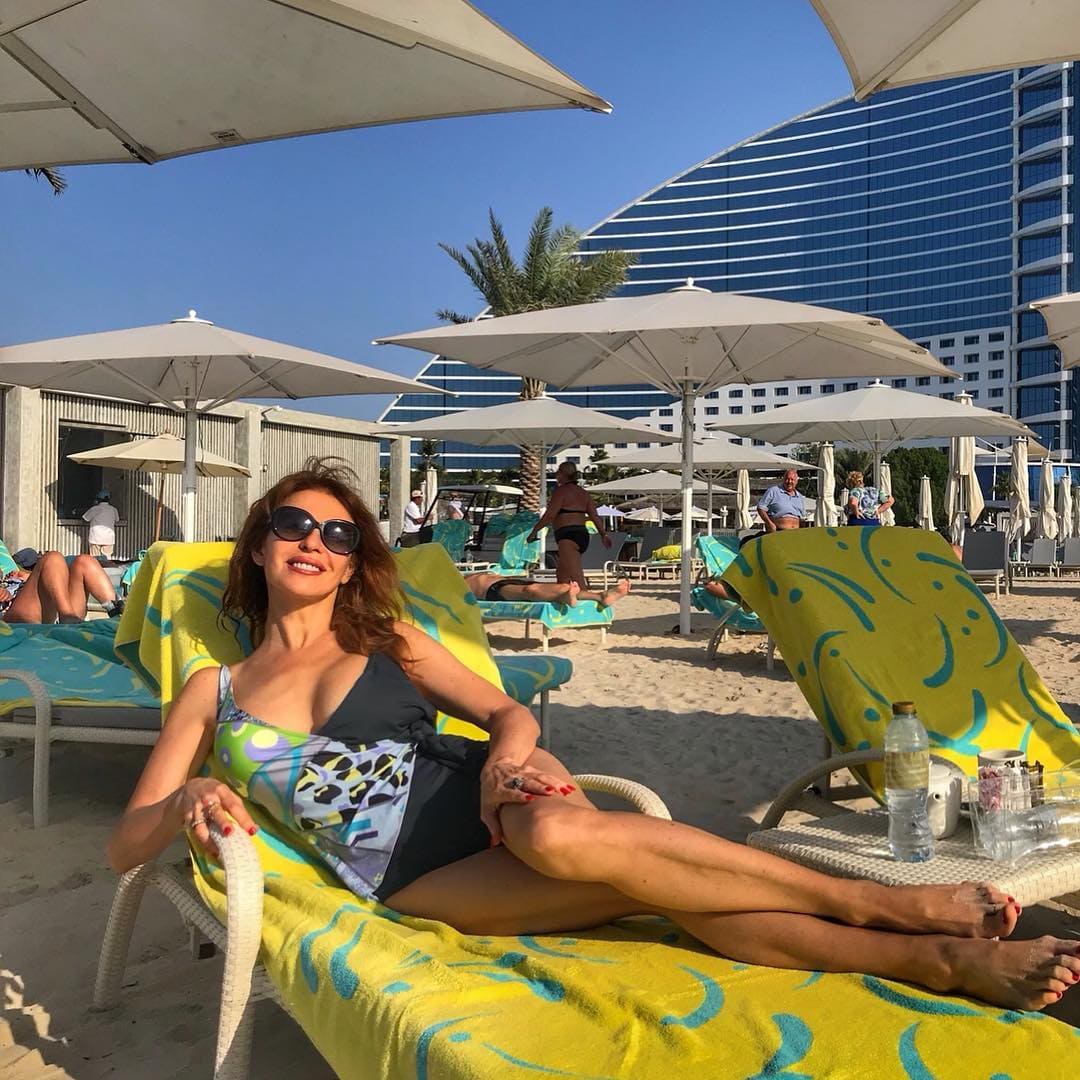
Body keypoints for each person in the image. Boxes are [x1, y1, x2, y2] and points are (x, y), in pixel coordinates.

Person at [107, 459, 1076, 1013]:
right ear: (258, 545)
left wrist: (508, 767)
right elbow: (124, 844)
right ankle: (919, 943)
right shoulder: (212, 691)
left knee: (565, 835)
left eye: (339, 534)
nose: (315, 544)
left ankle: (906, 931)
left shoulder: (387, 638)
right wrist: (189, 793)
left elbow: (506, 712)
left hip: (491, 803)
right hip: (407, 877)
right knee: (656, 887)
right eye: (293, 526)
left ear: (356, 562)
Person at [526, 462, 611, 590]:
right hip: (582, 535)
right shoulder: (583, 493)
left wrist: (534, 531)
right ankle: (563, 598)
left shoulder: (561, 491)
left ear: (564, 474)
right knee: (562, 575)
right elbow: (594, 516)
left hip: (568, 536)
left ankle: (592, 600)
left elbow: (550, 515)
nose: (556, 475)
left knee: (577, 579)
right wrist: (603, 534)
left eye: (558, 472)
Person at [1, 549, 122, 623]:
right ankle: (67, 616)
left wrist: (30, 576)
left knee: (84, 561)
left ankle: (116, 613)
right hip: (12, 613)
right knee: (52, 558)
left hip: (47, 604)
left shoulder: (17, 569)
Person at [465, 570, 630, 608]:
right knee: (531, 590)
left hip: (504, 581)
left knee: (561, 588)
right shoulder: (455, 585)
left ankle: (600, 596)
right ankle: (568, 596)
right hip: (491, 591)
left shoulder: (460, 576)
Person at [82, 489, 120, 559]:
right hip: (108, 538)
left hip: (95, 538)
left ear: (98, 499)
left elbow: (85, 519)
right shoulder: (113, 509)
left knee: (95, 559)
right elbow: (117, 519)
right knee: (107, 558)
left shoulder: (94, 509)